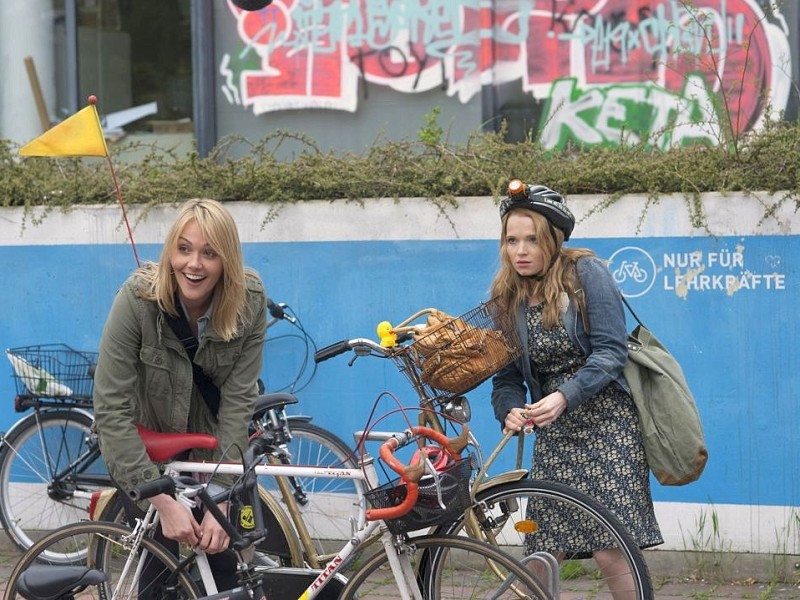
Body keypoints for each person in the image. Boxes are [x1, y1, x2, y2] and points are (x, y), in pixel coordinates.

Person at [489, 179, 663, 599]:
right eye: (512, 240)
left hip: (607, 424)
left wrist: (566, 394)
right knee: (543, 548)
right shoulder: (505, 298)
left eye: (532, 239)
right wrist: (510, 409)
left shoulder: (587, 274)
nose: (521, 250)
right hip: (555, 431)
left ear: (553, 238)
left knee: (610, 549)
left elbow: (610, 351)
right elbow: (507, 378)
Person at [93, 198, 267, 595]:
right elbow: (110, 409)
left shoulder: (249, 301)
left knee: (231, 575)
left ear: (228, 261)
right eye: (184, 248)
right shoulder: (136, 301)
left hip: (217, 452)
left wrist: (222, 495)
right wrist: (161, 499)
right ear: (171, 250)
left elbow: (239, 401)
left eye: (210, 253)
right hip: (150, 457)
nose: (194, 264)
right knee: (162, 577)